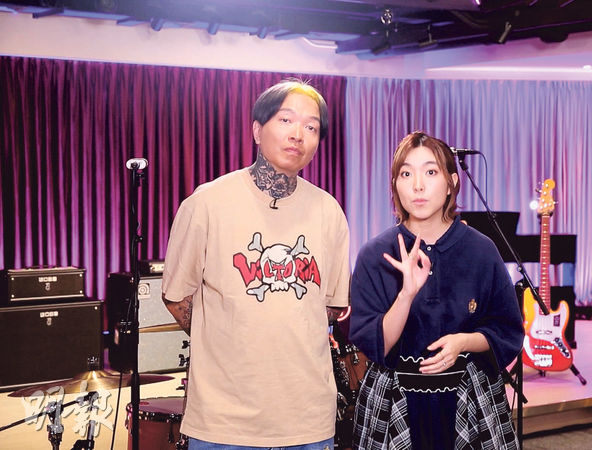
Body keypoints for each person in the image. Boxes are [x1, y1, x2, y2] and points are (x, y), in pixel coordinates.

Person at [161, 79, 350, 450]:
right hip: (224, 423)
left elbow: (329, 306)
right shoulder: (207, 204)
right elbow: (176, 297)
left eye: (311, 127)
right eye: (286, 120)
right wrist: (232, 337)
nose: (298, 134)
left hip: (309, 420)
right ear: (257, 131)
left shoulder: (329, 212)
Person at [349, 131, 523, 449]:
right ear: (395, 185)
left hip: (469, 398)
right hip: (394, 399)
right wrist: (406, 295)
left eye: (430, 172)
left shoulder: (481, 250)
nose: (418, 185)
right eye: (406, 174)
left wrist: (464, 342)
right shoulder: (375, 254)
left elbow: (507, 329)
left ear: (451, 183)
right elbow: (375, 345)